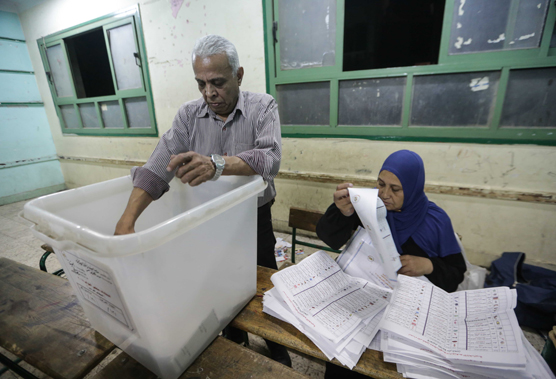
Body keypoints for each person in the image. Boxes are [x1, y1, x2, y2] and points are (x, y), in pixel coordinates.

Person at [114, 34, 291, 366]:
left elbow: (270, 159)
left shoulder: (261, 106)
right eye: (201, 84)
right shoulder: (188, 116)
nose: (209, 93)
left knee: (263, 287)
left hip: (255, 218)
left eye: (218, 83)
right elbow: (157, 167)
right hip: (211, 222)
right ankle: (235, 344)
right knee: (221, 286)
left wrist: (217, 164)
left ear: (238, 76)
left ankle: (276, 347)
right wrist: (126, 223)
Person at [316, 149, 466, 378]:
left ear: (413, 188)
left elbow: (455, 275)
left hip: (401, 320)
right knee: (340, 361)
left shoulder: (435, 221)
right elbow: (331, 238)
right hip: (358, 305)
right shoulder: (369, 206)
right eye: (381, 184)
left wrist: (429, 266)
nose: (384, 194)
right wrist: (342, 211)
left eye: (395, 189)